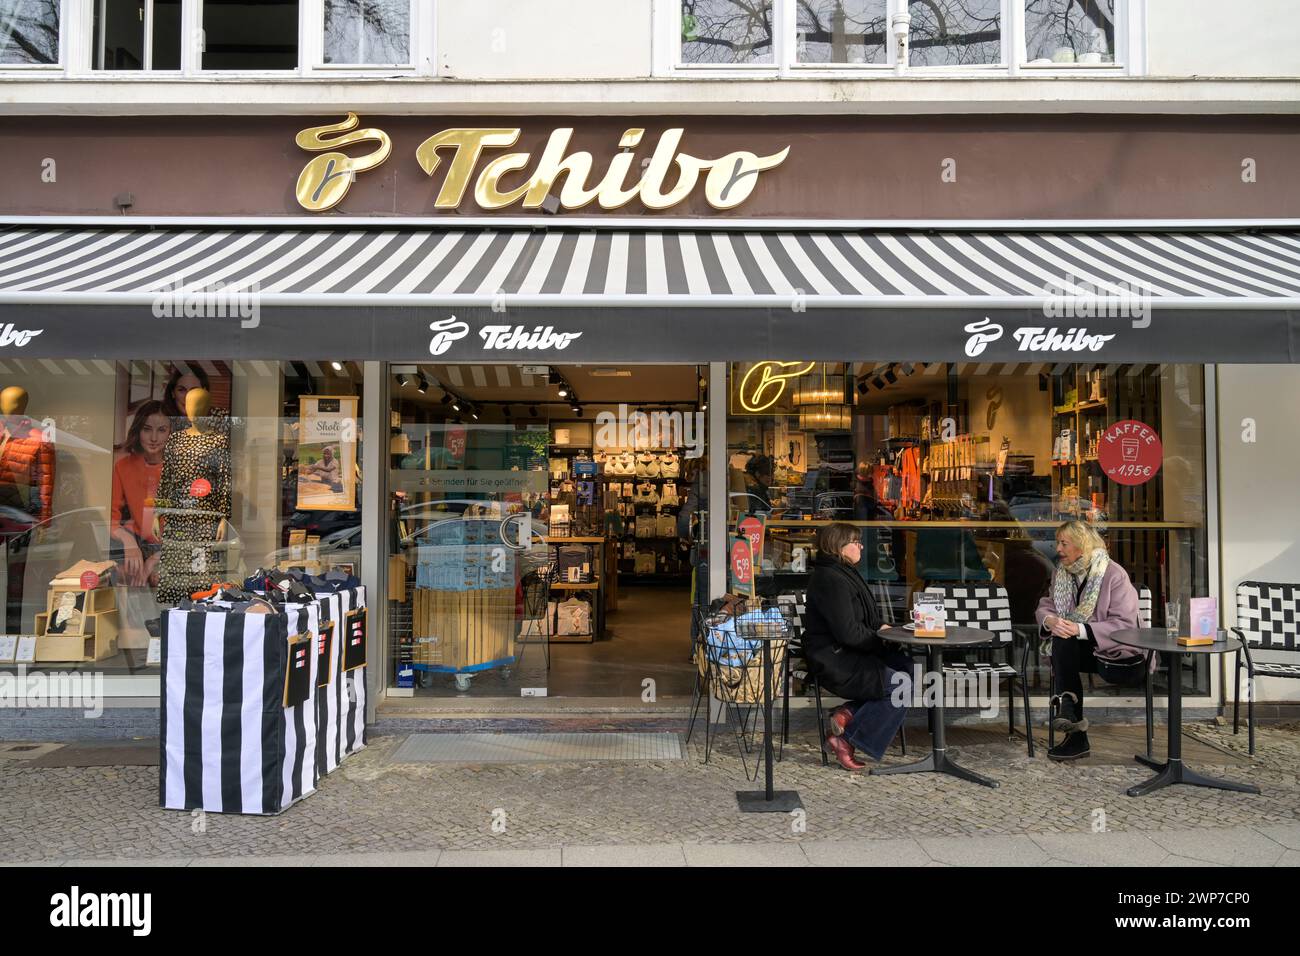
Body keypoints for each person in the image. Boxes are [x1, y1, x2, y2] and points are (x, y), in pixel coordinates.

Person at [801, 521, 910, 771]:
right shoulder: (831, 578)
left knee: (908, 667)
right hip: (834, 657)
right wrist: (881, 637)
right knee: (900, 685)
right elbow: (848, 632)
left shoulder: (844, 572)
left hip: (851, 650)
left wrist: (884, 629)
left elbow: (863, 621)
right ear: (839, 547)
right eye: (855, 541)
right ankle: (846, 740)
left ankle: (848, 713)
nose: (860, 546)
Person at [1036, 520, 1146, 762]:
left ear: (1082, 546)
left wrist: (1079, 629)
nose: (1058, 549)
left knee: (1066, 639)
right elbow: (1047, 604)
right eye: (1058, 543)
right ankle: (1074, 729)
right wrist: (1051, 622)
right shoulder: (1061, 573)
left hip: (1120, 655)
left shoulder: (1113, 574)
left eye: (1064, 543)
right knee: (1062, 640)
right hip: (1085, 651)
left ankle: (1069, 715)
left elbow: (1125, 626)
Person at [109, 400, 171, 588]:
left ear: (171, 433)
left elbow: (189, 524)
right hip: (136, 541)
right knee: (120, 574)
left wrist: (156, 558)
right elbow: (111, 518)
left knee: (158, 577)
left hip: (170, 545)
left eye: (161, 430)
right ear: (138, 430)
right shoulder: (123, 466)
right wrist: (128, 541)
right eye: (147, 429)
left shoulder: (181, 467)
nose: (153, 437)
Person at [160, 363, 210, 430]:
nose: (187, 397)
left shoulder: (219, 418)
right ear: (173, 393)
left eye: (194, 390)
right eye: (181, 390)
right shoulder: (159, 418)